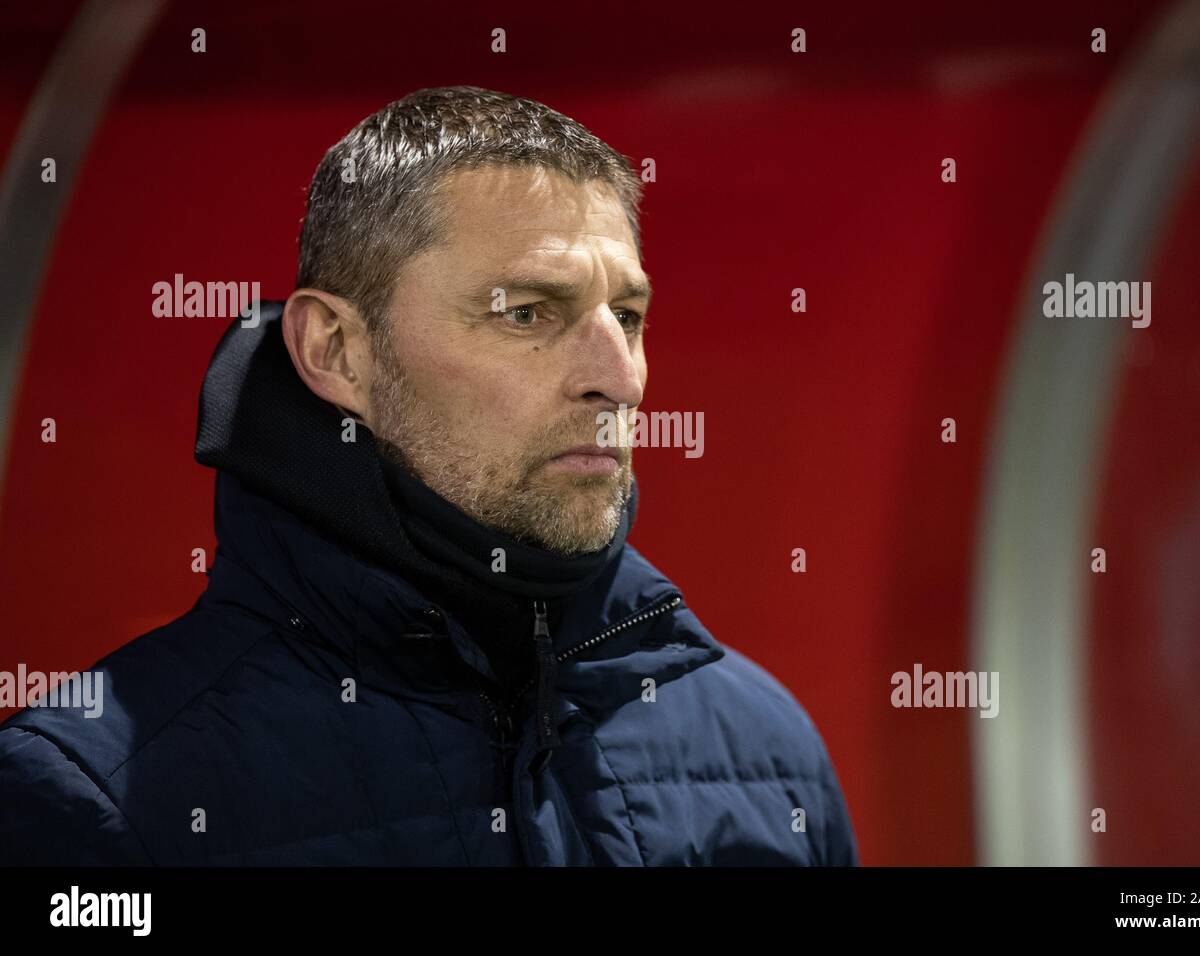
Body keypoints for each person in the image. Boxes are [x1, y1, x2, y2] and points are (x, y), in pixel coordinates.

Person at [0, 86, 858, 865]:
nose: (621, 378)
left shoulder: (768, 754)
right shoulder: (95, 796)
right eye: (528, 312)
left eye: (627, 316)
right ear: (336, 350)